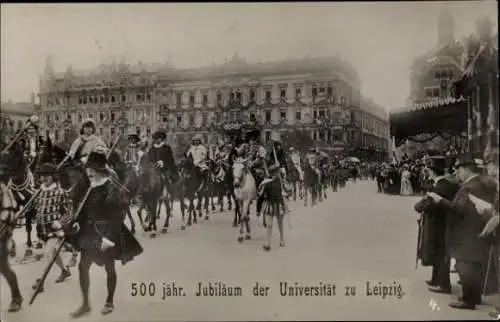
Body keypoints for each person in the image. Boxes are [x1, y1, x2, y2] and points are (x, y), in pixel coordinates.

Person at [67, 151, 143, 317]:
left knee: (109, 267)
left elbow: (117, 217)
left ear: (101, 170)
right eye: (88, 170)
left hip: (106, 232)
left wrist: (108, 238)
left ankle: (109, 301)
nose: (89, 173)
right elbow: (81, 211)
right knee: (82, 266)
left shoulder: (112, 188)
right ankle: (85, 303)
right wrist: (75, 223)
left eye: (93, 170)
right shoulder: (87, 186)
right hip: (88, 234)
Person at [427, 156, 498, 309]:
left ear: (465, 170)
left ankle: (468, 299)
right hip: (476, 229)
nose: (456, 174)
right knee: (473, 264)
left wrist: (439, 200)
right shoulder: (480, 183)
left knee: (465, 264)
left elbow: (459, 209)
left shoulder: (471, 187)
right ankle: (474, 296)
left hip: (467, 231)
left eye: (458, 170)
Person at [414, 156, 460, 294]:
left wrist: (421, 202)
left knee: (440, 253)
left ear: (433, 172)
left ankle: (444, 284)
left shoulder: (439, 188)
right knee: (439, 252)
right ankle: (435, 279)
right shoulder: (449, 185)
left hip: (438, 225)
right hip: (445, 223)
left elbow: (422, 206)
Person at [31, 163, 72, 292]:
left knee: (48, 252)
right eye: (41, 176)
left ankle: (40, 280)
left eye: (46, 176)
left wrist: (60, 222)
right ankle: (65, 271)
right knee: (53, 253)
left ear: (53, 177)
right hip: (42, 229)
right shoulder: (39, 192)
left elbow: (69, 211)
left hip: (56, 230)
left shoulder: (61, 193)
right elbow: (36, 207)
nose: (43, 179)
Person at [0, 163, 23, 312]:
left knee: (3, 267)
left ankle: (16, 297)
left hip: (0, 233)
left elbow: (9, 213)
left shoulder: (3, 190)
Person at [258, 164, 286, 252]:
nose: (278, 173)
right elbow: (261, 196)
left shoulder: (280, 181)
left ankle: (281, 240)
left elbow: (284, 193)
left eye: (278, 171)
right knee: (269, 225)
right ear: (273, 173)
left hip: (278, 204)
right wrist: (258, 209)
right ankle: (267, 244)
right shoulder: (266, 183)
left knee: (279, 223)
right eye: (277, 172)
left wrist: (284, 205)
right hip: (269, 205)